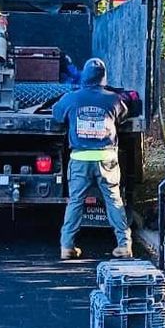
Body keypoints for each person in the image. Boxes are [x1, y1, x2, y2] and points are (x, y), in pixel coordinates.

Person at [51, 57, 134, 261]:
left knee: (75, 202)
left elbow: (57, 116)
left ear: (84, 77)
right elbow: (123, 115)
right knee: (114, 201)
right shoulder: (113, 99)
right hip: (107, 159)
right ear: (103, 78)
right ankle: (124, 245)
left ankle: (67, 247)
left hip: (80, 160)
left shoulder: (71, 98)